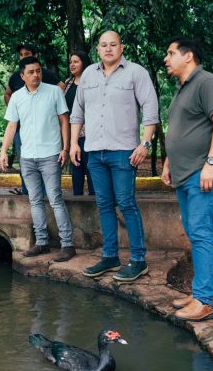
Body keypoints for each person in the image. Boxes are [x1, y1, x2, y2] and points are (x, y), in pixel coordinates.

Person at [69, 30, 160, 282]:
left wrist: (145, 143)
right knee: (104, 204)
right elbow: (77, 111)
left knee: (126, 203)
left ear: (122, 47)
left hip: (123, 152)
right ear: (98, 49)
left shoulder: (136, 72)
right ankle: (110, 256)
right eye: (103, 45)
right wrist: (74, 143)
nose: (108, 49)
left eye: (113, 44)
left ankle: (139, 260)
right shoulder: (88, 74)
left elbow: (150, 109)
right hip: (94, 151)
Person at [162, 37, 213, 321]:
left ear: (188, 55)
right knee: (193, 230)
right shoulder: (183, 88)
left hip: (204, 169)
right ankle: (197, 293)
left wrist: (211, 162)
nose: (166, 59)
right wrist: (169, 162)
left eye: (170, 53)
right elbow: (181, 129)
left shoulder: (207, 82)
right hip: (185, 171)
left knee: (201, 231)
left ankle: (204, 300)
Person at [0, 56, 75, 262]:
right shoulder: (16, 97)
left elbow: (64, 121)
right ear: (22, 76)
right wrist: (4, 151)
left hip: (50, 154)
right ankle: (41, 242)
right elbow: (12, 126)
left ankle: (67, 245)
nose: (36, 75)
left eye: (38, 71)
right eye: (31, 72)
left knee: (55, 198)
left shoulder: (54, 92)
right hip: (27, 156)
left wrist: (65, 148)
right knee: (34, 200)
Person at [4, 44, 64, 195]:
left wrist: (51, 105)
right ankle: (28, 193)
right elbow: (8, 94)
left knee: (49, 177)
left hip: (47, 135)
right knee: (25, 163)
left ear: (36, 55)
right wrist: (15, 107)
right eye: (21, 54)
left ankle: (45, 194)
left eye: (27, 53)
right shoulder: (16, 77)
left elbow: (61, 86)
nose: (24, 56)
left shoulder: (44, 75)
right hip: (22, 129)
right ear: (23, 75)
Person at [63, 51, 94, 196]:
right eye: (71, 62)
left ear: (84, 63)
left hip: (90, 132)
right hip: (73, 133)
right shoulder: (68, 83)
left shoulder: (92, 82)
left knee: (91, 168)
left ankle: (95, 200)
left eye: (76, 62)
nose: (72, 65)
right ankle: (77, 200)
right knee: (76, 167)